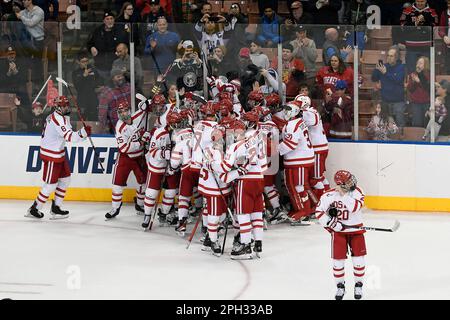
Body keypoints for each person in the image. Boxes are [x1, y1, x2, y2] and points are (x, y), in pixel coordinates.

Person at [26, 96, 91, 219]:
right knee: (50, 184)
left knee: (65, 179)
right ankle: (34, 209)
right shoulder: (58, 119)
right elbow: (70, 137)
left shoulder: (61, 116)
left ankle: (56, 208)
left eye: (67, 105)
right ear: (57, 107)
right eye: (63, 106)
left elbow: (68, 134)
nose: (66, 107)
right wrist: (83, 133)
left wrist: (83, 134)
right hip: (51, 155)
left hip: (58, 152)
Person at [315, 170, 366, 300]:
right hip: (338, 234)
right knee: (338, 262)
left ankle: (358, 285)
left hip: (356, 231)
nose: (352, 182)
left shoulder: (357, 191)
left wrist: (343, 195)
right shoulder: (328, 195)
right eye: (348, 181)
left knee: (358, 261)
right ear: (341, 184)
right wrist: (332, 224)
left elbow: (355, 207)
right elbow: (319, 213)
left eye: (350, 179)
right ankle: (340, 287)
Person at [105, 101, 150, 219]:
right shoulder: (119, 127)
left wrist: (145, 104)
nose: (124, 114)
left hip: (139, 157)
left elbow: (145, 107)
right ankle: (115, 208)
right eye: (121, 112)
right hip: (125, 158)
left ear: (129, 111)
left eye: (125, 110)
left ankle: (140, 204)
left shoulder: (136, 117)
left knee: (143, 183)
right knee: (117, 185)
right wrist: (141, 142)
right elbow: (124, 148)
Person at [277, 100, 315, 224]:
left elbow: (291, 144)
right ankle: (303, 210)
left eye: (288, 110)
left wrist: (274, 149)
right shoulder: (299, 121)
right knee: (295, 186)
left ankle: (304, 212)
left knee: (297, 186)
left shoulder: (292, 124)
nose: (285, 112)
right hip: (303, 158)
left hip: (298, 160)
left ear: (294, 111)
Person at [371, 46, 407, 134]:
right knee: (386, 125)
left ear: (396, 57)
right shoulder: (384, 67)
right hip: (385, 101)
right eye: (388, 56)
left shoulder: (401, 67)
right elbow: (374, 78)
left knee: (399, 125)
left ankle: (401, 140)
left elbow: (398, 79)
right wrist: (377, 69)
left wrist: (386, 73)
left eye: (391, 56)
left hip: (398, 101)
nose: (389, 58)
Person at [86, 10, 129, 82]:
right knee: (104, 89)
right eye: (107, 19)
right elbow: (90, 43)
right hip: (101, 67)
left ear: (114, 20)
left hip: (116, 67)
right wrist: (91, 48)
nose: (110, 21)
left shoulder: (120, 31)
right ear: (104, 21)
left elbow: (126, 45)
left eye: (111, 18)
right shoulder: (97, 31)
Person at [400, 0, 438, 72]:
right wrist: (416, 23)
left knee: (426, 72)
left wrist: (422, 24)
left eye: (422, 1)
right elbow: (402, 26)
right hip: (411, 48)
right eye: (418, 1)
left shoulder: (432, 12)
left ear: (426, 1)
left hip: (426, 48)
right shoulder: (407, 11)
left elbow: (435, 26)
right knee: (411, 72)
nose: (420, 3)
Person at [0, 45, 32, 130]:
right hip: (6, 88)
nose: (11, 55)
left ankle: (28, 121)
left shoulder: (21, 62)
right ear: (6, 55)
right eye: (9, 54)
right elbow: (1, 81)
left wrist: (15, 71)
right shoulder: (2, 63)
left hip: (18, 87)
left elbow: (24, 79)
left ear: (15, 54)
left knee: (22, 90)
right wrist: (9, 73)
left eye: (13, 53)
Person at [15, 0, 45, 84]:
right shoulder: (24, 12)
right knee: (22, 60)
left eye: (25, 0)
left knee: (37, 63)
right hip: (27, 41)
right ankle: (24, 82)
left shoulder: (39, 11)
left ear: (30, 0)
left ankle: (38, 85)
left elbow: (31, 23)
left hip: (38, 40)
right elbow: (16, 15)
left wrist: (21, 17)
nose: (23, 2)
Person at [98, 69, 132, 133]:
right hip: (117, 129)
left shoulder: (129, 87)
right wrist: (103, 129)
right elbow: (102, 114)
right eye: (118, 77)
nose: (121, 78)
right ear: (113, 79)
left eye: (122, 76)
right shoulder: (107, 93)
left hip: (132, 125)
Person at [72, 50, 102, 121]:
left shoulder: (93, 70)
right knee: (82, 121)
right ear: (78, 62)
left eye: (86, 61)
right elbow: (77, 87)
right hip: (82, 100)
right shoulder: (75, 73)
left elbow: (99, 81)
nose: (85, 63)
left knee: (94, 120)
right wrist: (84, 76)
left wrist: (99, 87)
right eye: (83, 62)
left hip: (93, 99)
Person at [406, 56, 430, 127]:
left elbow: (429, 88)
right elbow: (410, 89)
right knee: (417, 124)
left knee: (426, 124)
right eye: (417, 63)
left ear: (425, 65)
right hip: (416, 103)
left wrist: (419, 81)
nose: (418, 65)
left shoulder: (430, 74)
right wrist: (414, 82)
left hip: (427, 103)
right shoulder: (413, 74)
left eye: (420, 63)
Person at [438, 0, 450, 74]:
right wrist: (444, 36)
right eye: (448, 3)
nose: (449, 5)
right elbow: (440, 28)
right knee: (448, 65)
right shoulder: (444, 14)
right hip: (448, 44)